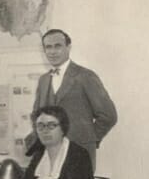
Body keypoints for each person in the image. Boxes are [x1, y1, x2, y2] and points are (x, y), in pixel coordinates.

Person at [24, 29, 117, 167]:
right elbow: (36, 116)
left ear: (68, 47)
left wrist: (87, 139)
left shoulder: (85, 76)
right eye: (48, 47)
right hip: (48, 155)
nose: (52, 51)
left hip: (79, 156)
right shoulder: (43, 80)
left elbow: (108, 115)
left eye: (58, 46)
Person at [8, 105, 96, 179]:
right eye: (40, 126)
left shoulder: (78, 154)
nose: (45, 131)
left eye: (51, 125)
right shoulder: (40, 153)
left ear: (63, 128)